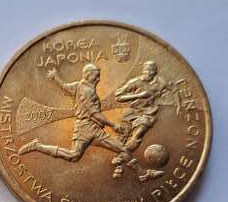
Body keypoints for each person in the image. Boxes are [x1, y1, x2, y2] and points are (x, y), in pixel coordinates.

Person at [18, 63, 161, 182]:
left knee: (120, 149)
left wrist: (56, 78)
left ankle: (142, 174)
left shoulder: (78, 85)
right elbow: (95, 114)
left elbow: (65, 87)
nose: (98, 78)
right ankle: (37, 146)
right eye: (96, 75)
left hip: (92, 128)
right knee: (74, 156)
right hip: (86, 128)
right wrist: (114, 125)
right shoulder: (88, 92)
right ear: (88, 75)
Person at [112, 60, 169, 177]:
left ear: (155, 72)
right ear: (143, 70)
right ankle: (120, 164)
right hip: (132, 112)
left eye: (151, 70)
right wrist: (139, 95)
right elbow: (117, 96)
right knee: (122, 139)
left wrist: (179, 105)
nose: (149, 72)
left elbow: (172, 89)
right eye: (146, 70)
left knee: (138, 134)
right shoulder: (135, 82)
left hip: (148, 113)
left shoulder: (161, 83)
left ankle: (120, 159)